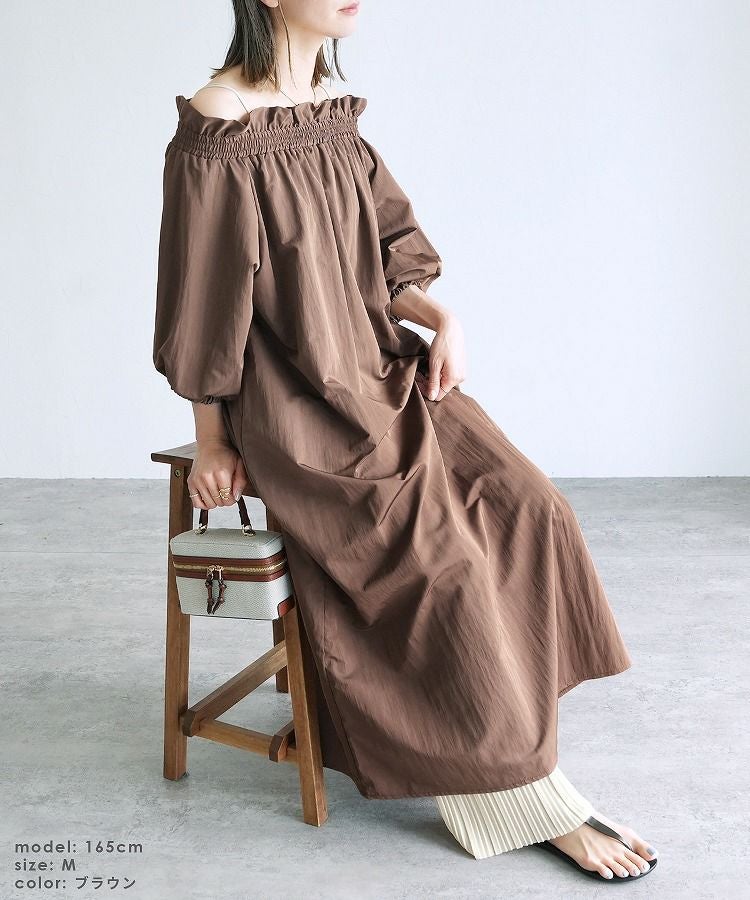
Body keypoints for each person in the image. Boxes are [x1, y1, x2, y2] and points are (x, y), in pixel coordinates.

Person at [152, 0, 659, 883]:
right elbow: (203, 301)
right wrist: (212, 439)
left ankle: (500, 732)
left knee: (529, 505)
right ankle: (519, 792)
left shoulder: (329, 114)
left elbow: (387, 253)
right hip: (298, 407)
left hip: (383, 369)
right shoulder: (218, 126)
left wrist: (440, 315)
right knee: (442, 566)